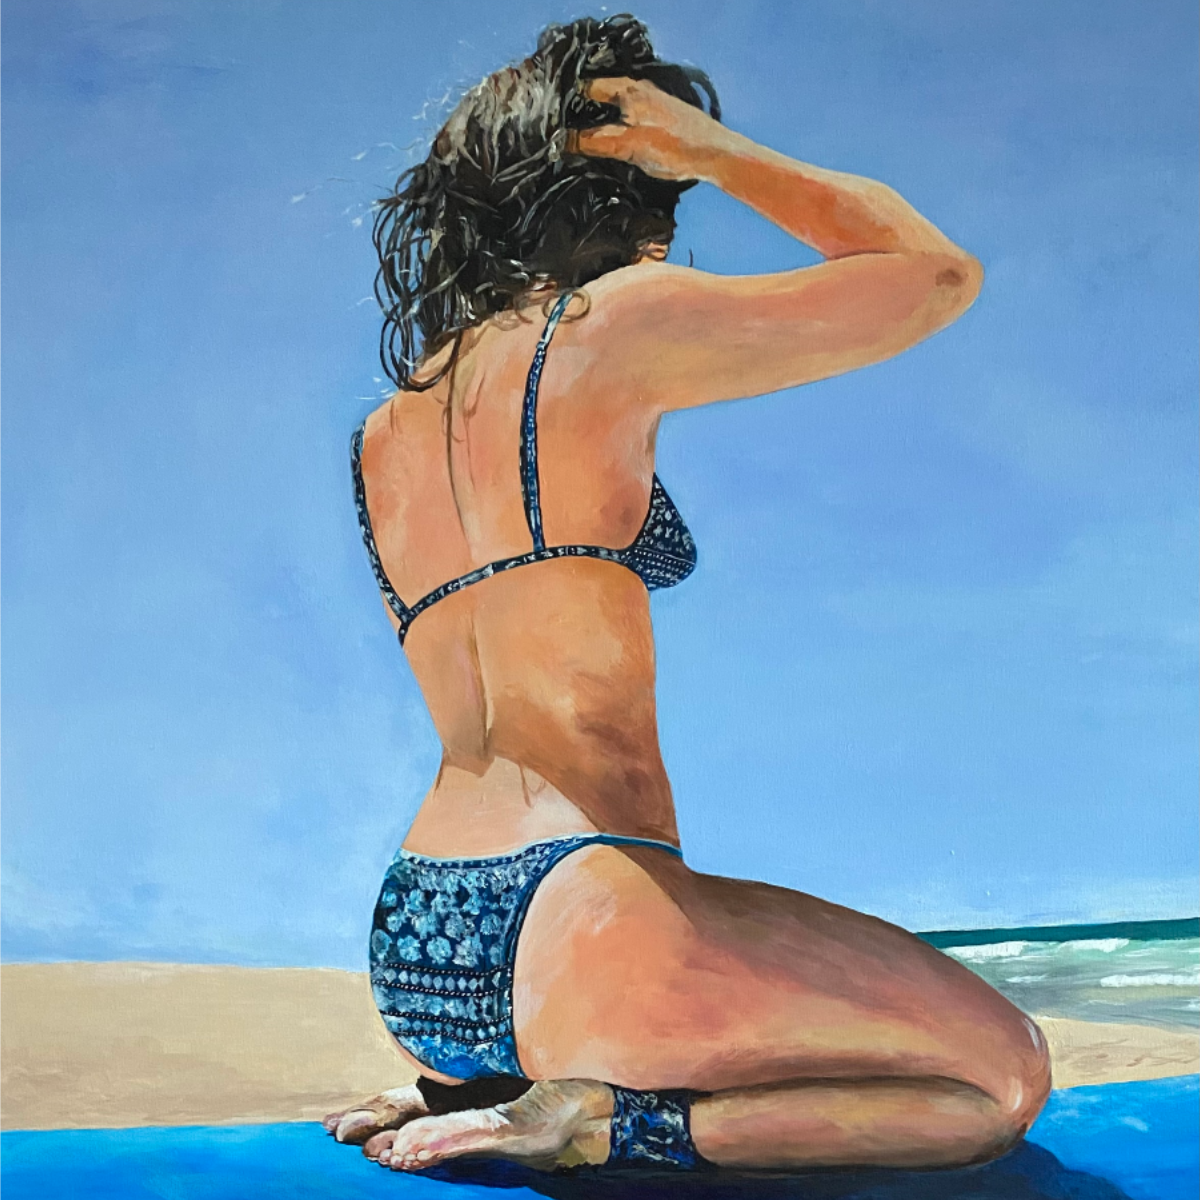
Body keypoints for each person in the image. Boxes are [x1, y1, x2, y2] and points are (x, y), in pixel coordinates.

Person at [325, 14, 1050, 1175]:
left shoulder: (391, 426)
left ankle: (502, 1083)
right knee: (1000, 1074)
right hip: (584, 920)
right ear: (631, 197)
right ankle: (609, 1122)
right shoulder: (606, 327)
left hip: (422, 944)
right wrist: (716, 150)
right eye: (668, 196)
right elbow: (934, 275)